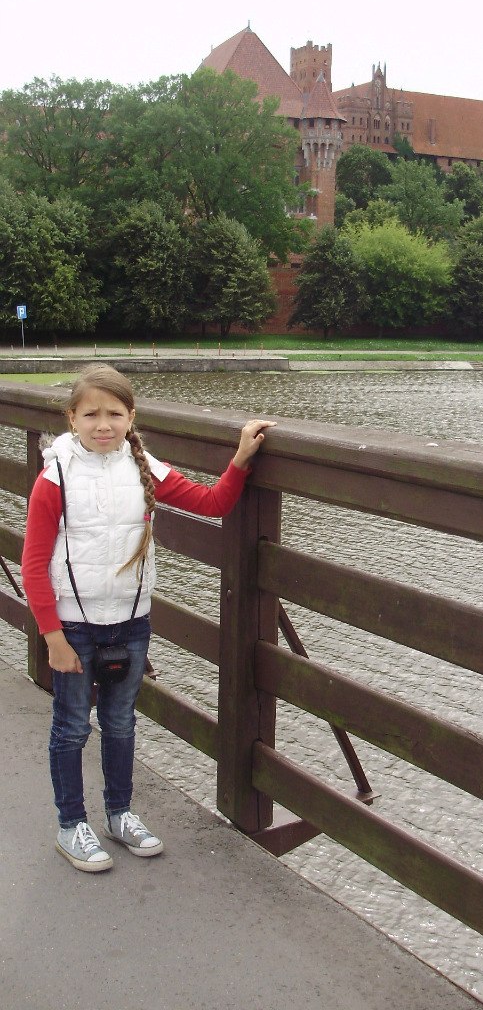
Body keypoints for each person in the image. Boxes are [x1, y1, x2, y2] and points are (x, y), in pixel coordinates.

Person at [21, 364, 275, 874]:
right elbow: (33, 564)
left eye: (114, 414)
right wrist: (52, 637)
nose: (103, 425)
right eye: (90, 414)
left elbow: (212, 502)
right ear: (71, 418)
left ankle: (120, 814)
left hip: (130, 624)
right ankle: (71, 824)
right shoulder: (55, 477)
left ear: (131, 417)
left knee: (120, 723)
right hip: (72, 626)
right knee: (71, 727)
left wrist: (241, 460)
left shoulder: (146, 470)